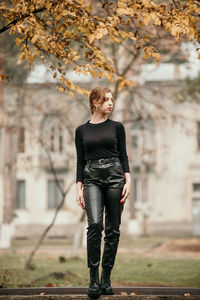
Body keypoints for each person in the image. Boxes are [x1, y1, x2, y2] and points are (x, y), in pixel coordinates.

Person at [75, 86, 131, 298]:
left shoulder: (117, 127)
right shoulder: (81, 130)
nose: (110, 103)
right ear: (95, 103)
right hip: (92, 179)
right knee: (95, 225)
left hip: (116, 177)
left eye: (112, 99)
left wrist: (129, 180)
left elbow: (124, 155)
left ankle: (106, 278)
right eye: (106, 100)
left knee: (113, 229)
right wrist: (78, 187)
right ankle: (93, 279)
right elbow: (80, 160)